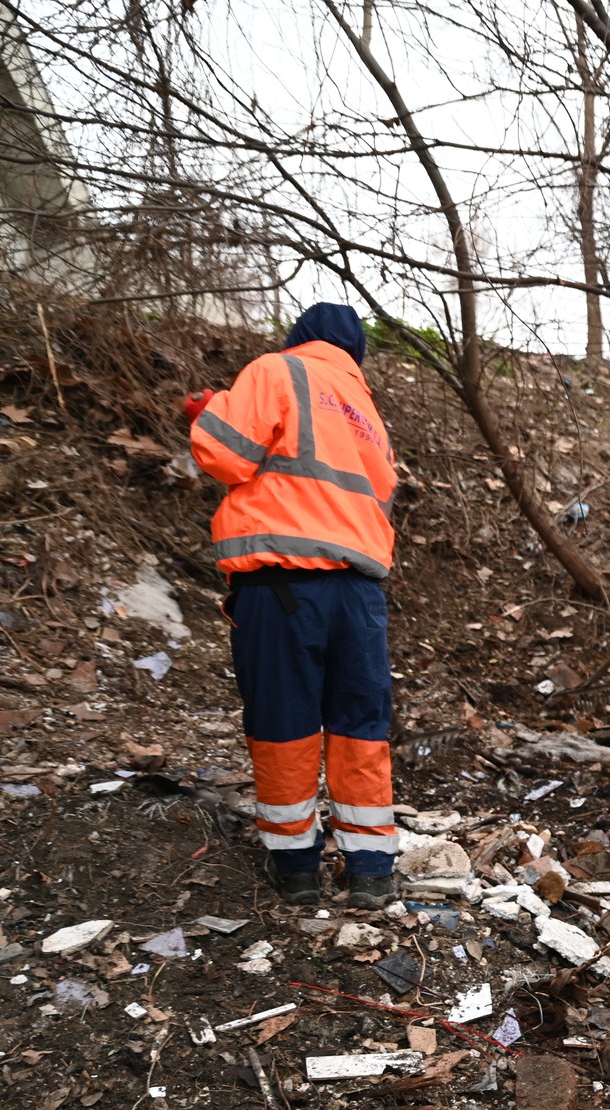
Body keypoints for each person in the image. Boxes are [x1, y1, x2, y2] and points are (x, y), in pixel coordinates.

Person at [185, 303, 401, 907]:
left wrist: (209, 412)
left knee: (285, 721)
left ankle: (297, 868)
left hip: (284, 586)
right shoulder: (366, 412)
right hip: (360, 592)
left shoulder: (276, 371)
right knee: (360, 726)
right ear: (355, 354)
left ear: (298, 337)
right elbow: (377, 497)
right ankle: (370, 869)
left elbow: (225, 454)